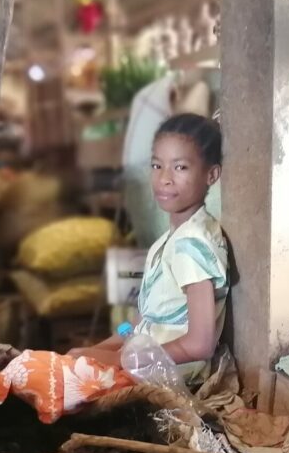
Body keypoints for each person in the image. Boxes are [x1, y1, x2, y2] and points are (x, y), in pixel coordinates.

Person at [70, 113, 227, 384]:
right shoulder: (165, 243)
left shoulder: (192, 246)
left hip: (169, 372)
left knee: (56, 379)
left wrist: (122, 360)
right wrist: (102, 347)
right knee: (70, 360)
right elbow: (136, 323)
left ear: (211, 174)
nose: (164, 178)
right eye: (156, 165)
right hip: (141, 358)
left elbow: (201, 344)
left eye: (180, 168)